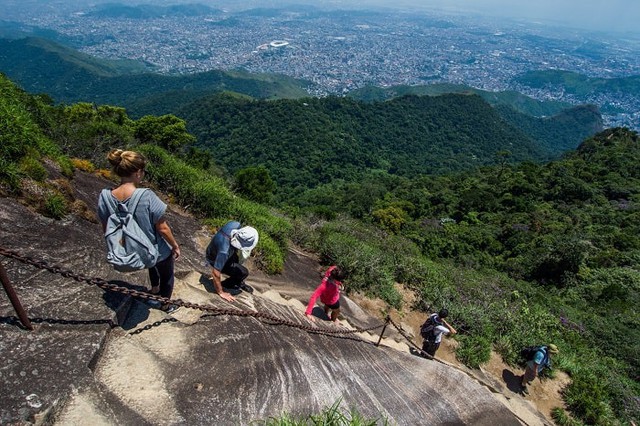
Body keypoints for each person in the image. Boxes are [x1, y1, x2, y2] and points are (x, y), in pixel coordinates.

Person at [97, 149, 181, 313]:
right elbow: (162, 228)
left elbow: (106, 226)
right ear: (137, 173)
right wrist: (174, 246)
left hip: (130, 248)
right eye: (143, 171)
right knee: (167, 274)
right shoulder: (146, 195)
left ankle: (154, 290)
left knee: (151, 264)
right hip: (154, 249)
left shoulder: (105, 196)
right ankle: (165, 304)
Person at [205, 220, 258, 302]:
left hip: (214, 248)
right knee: (243, 272)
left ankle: (237, 281)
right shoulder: (224, 252)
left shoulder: (234, 225)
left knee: (236, 259)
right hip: (214, 258)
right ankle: (228, 284)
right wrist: (221, 292)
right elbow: (215, 273)